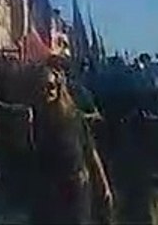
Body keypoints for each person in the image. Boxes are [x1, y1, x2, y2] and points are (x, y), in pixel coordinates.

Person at [30, 64, 113, 225]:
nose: (48, 91)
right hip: (50, 194)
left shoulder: (73, 118)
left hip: (76, 191)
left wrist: (104, 186)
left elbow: (91, 152)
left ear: (58, 88)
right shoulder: (36, 120)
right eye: (43, 87)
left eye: (51, 86)